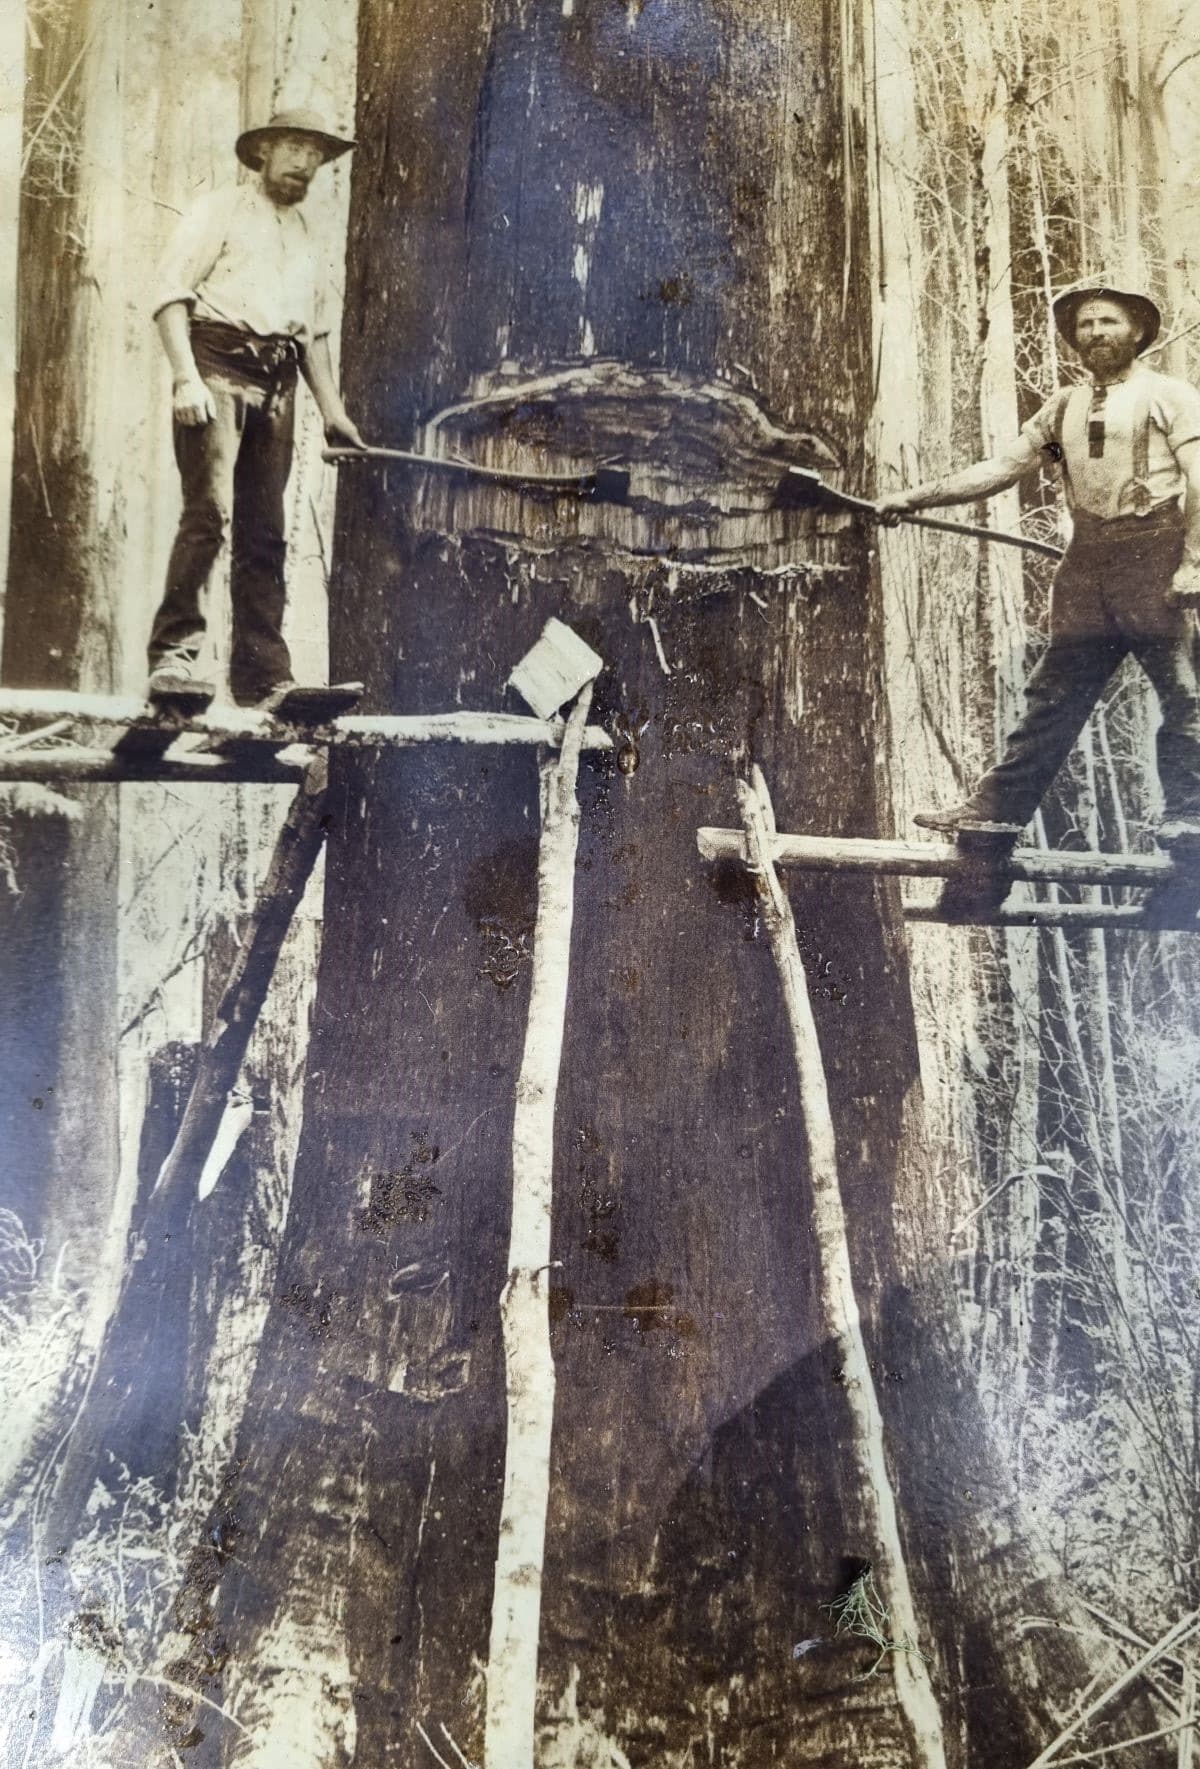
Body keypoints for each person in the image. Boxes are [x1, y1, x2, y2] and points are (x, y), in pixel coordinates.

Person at [879, 278, 1200, 848]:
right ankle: (996, 810)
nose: (1096, 333)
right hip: (1087, 564)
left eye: (1108, 321)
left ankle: (1190, 816)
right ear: (1073, 339)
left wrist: (1193, 564)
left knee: (1183, 693)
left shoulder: (1169, 396)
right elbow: (1003, 467)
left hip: (1156, 553)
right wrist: (914, 497)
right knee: (1053, 694)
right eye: (1085, 324)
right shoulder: (1064, 409)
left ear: (1136, 330)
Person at [146, 109, 366, 708]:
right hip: (215, 368)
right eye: (295, 148)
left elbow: (312, 335)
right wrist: (186, 380)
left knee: (266, 533)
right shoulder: (218, 211)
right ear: (264, 150)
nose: (305, 163)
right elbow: (169, 295)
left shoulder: (304, 236)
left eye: (316, 155)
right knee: (209, 515)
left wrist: (333, 411)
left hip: (278, 386)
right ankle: (174, 659)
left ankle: (263, 678)